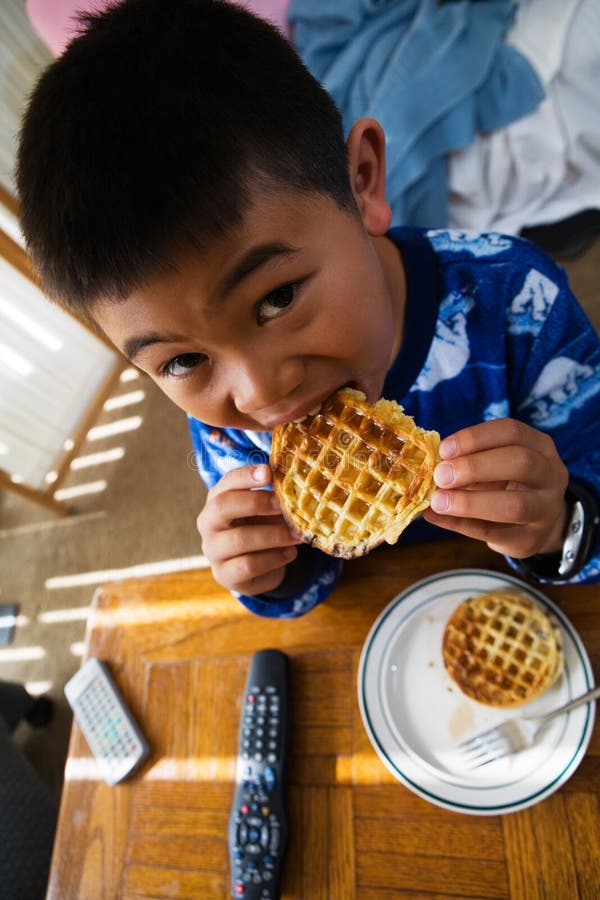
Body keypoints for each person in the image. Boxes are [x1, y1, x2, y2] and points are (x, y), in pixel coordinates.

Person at [16, 0, 600, 618]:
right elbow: (310, 587)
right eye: (184, 359)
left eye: (277, 297)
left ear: (364, 181)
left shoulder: (517, 298)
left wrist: (558, 526)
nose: (262, 392)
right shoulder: (228, 435)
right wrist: (267, 576)